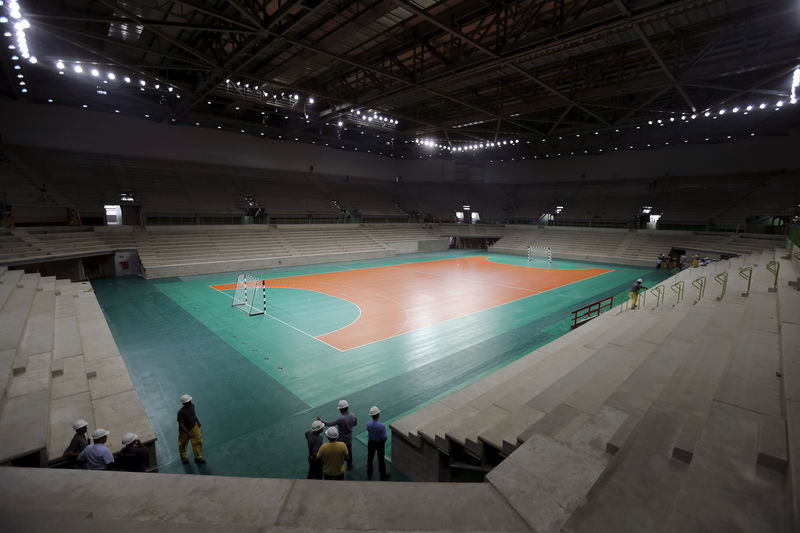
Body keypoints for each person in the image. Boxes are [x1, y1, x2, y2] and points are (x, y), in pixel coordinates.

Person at [320, 399, 357, 470]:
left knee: (339, 454)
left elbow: (329, 424)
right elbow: (355, 424)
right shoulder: (353, 415)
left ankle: (339, 466)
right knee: (349, 453)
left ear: (341, 409)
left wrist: (321, 421)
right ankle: (349, 465)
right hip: (349, 439)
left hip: (341, 440)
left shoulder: (341, 419)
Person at [177, 394, 205, 464]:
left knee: (198, 441)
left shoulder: (192, 406)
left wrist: (198, 421)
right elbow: (181, 424)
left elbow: (194, 414)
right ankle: (183, 456)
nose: (190, 402)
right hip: (184, 430)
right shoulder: (181, 412)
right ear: (183, 403)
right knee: (183, 443)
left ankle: (198, 457)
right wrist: (188, 433)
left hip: (194, 426)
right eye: (188, 402)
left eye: (190, 401)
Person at [366, 405, 389, 481]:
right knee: (381, 459)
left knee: (370, 458)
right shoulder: (381, 426)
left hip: (371, 442)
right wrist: (383, 441)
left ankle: (369, 473)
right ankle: (383, 474)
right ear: (378, 415)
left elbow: (369, 431)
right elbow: (384, 437)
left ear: (371, 416)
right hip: (379, 444)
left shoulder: (368, 424)